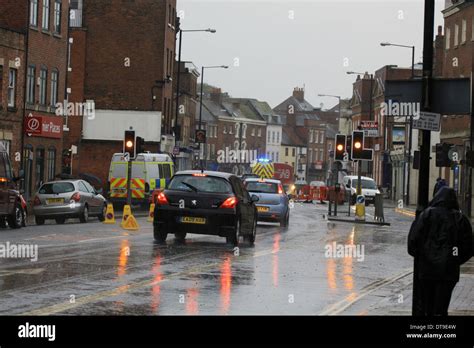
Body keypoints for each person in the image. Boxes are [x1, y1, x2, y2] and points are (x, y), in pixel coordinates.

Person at [408, 187, 473, 316]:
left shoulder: (426, 215)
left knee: (427, 305)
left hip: (427, 270)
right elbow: (469, 247)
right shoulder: (460, 219)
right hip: (448, 271)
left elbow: (413, 242)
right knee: (442, 307)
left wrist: (423, 256)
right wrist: (455, 258)